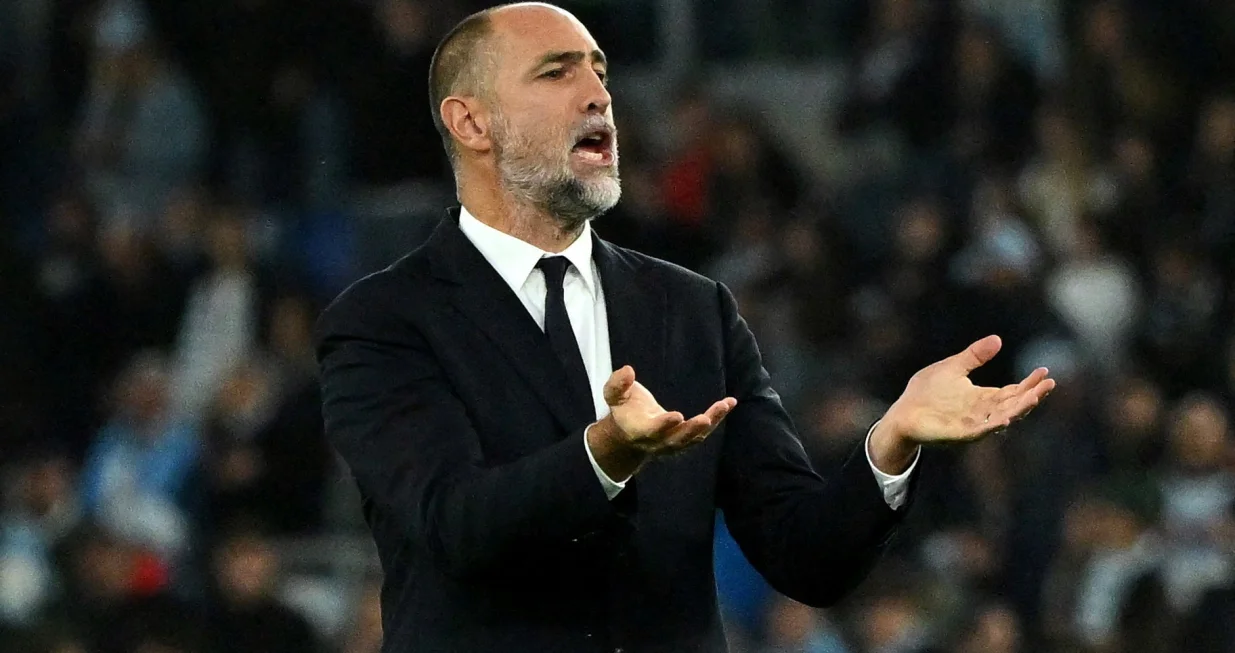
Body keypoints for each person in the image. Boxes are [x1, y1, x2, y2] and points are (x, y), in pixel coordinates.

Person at [314, 4, 1056, 652]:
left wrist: (889, 442)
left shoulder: (691, 309)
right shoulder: (382, 321)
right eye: (556, 72)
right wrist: (605, 453)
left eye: (600, 71)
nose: (598, 94)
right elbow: (454, 526)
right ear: (471, 121)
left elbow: (806, 557)